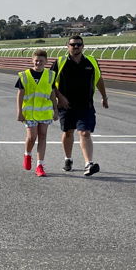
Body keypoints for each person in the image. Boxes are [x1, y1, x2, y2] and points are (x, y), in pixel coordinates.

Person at [52, 35, 109, 177]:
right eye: (73, 45)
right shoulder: (60, 62)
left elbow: (99, 79)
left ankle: (88, 163)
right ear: (67, 46)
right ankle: (68, 159)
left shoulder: (91, 61)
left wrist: (104, 97)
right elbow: (50, 83)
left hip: (86, 105)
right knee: (68, 132)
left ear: (83, 46)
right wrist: (60, 97)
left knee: (85, 132)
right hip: (66, 105)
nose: (76, 47)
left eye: (78, 44)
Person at [15, 49, 59, 177]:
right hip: (29, 112)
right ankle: (27, 154)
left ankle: (40, 165)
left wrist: (55, 109)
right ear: (32, 61)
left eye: (41, 61)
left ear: (46, 61)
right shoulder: (24, 75)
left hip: (45, 111)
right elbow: (20, 94)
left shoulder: (50, 75)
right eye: (36, 60)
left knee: (43, 136)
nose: (38, 63)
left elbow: (52, 92)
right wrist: (19, 112)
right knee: (32, 137)